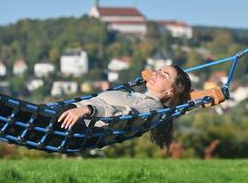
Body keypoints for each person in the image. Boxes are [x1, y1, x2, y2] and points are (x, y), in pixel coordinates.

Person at [57, 64, 192, 150]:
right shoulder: (138, 97)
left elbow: (128, 114)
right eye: (159, 70)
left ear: (170, 91)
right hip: (70, 117)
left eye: (164, 75)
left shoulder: (153, 107)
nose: (156, 73)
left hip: (77, 126)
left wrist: (88, 109)